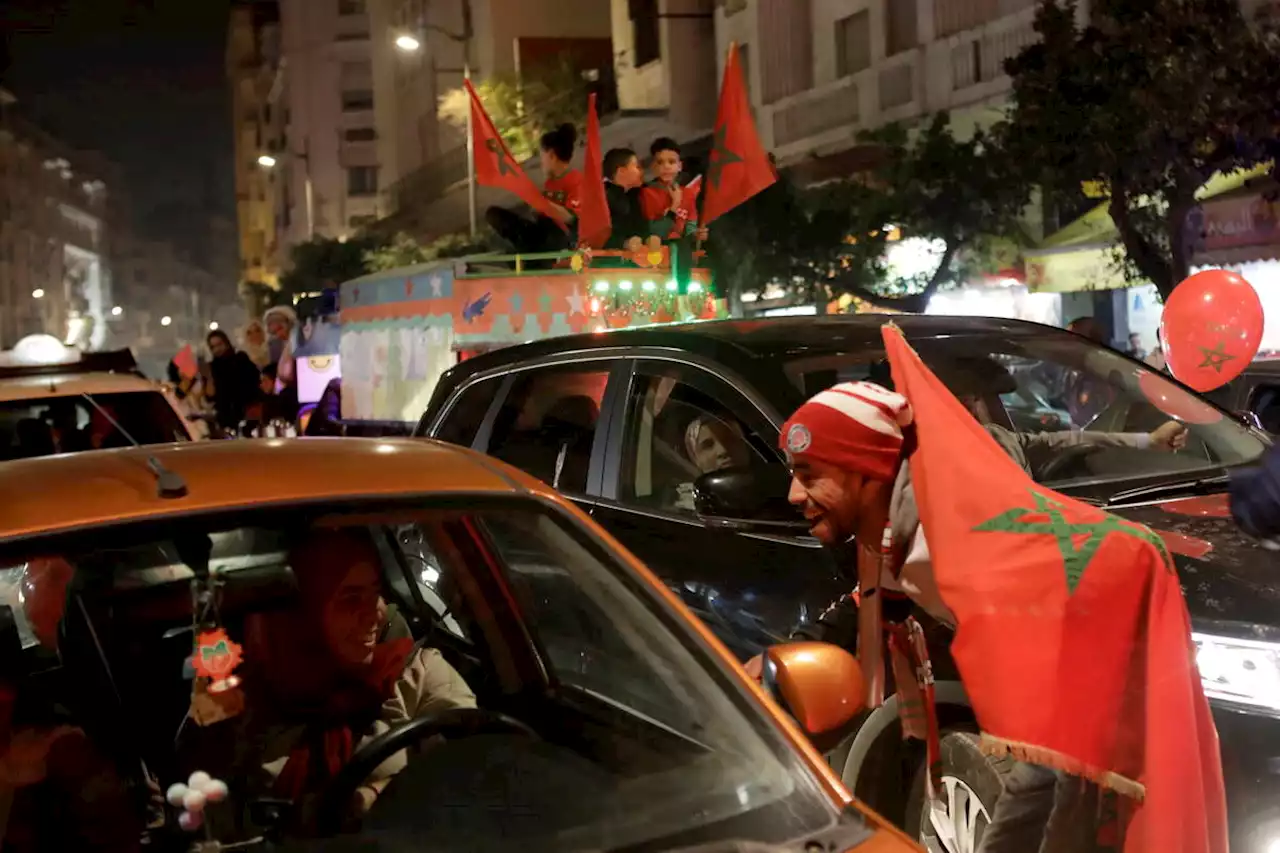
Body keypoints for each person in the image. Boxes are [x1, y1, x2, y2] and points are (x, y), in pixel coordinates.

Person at [774, 381, 1110, 853]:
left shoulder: (956, 548)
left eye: (809, 475)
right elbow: (870, 601)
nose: (792, 494)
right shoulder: (900, 532)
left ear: (867, 472)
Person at [190, 527, 476, 837]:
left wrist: (376, 796)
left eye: (376, 592)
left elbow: (476, 769)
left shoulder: (417, 672)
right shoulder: (235, 696)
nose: (375, 614)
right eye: (351, 598)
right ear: (304, 611)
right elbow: (202, 812)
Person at [930, 357, 1188, 477]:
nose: (1001, 411)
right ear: (963, 403)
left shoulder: (1002, 440)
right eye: (988, 399)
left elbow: (1069, 440)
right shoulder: (937, 467)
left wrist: (1150, 441)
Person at [485, 124, 581, 256]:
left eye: (542, 158)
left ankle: (528, 257)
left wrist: (542, 203)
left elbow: (573, 220)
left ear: (551, 155)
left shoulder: (576, 181)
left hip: (564, 241)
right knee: (495, 215)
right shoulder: (550, 183)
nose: (541, 164)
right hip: (543, 235)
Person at [207, 330, 263, 432]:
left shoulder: (240, 359)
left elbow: (254, 382)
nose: (217, 349)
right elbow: (211, 395)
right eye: (213, 347)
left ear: (226, 343)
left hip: (245, 413)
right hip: (225, 417)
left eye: (219, 344)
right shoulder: (213, 368)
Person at [601, 147, 647, 253]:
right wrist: (623, 243)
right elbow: (596, 234)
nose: (641, 172)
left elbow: (641, 227)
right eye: (637, 167)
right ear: (621, 171)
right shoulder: (602, 197)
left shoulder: (634, 195)